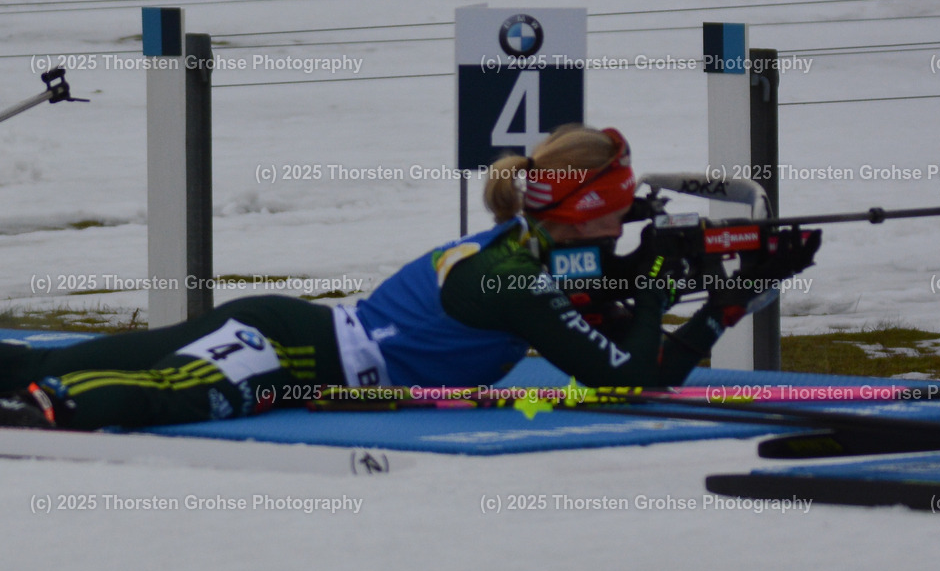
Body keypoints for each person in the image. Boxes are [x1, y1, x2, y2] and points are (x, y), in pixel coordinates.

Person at [0, 124, 818, 430]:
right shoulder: (512, 277)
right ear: (575, 218)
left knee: (74, 357)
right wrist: (663, 286)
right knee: (141, 391)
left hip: (296, 335)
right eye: (612, 217)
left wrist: (728, 296)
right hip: (292, 353)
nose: (621, 230)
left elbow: (642, 359)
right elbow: (631, 373)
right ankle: (38, 412)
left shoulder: (539, 254)